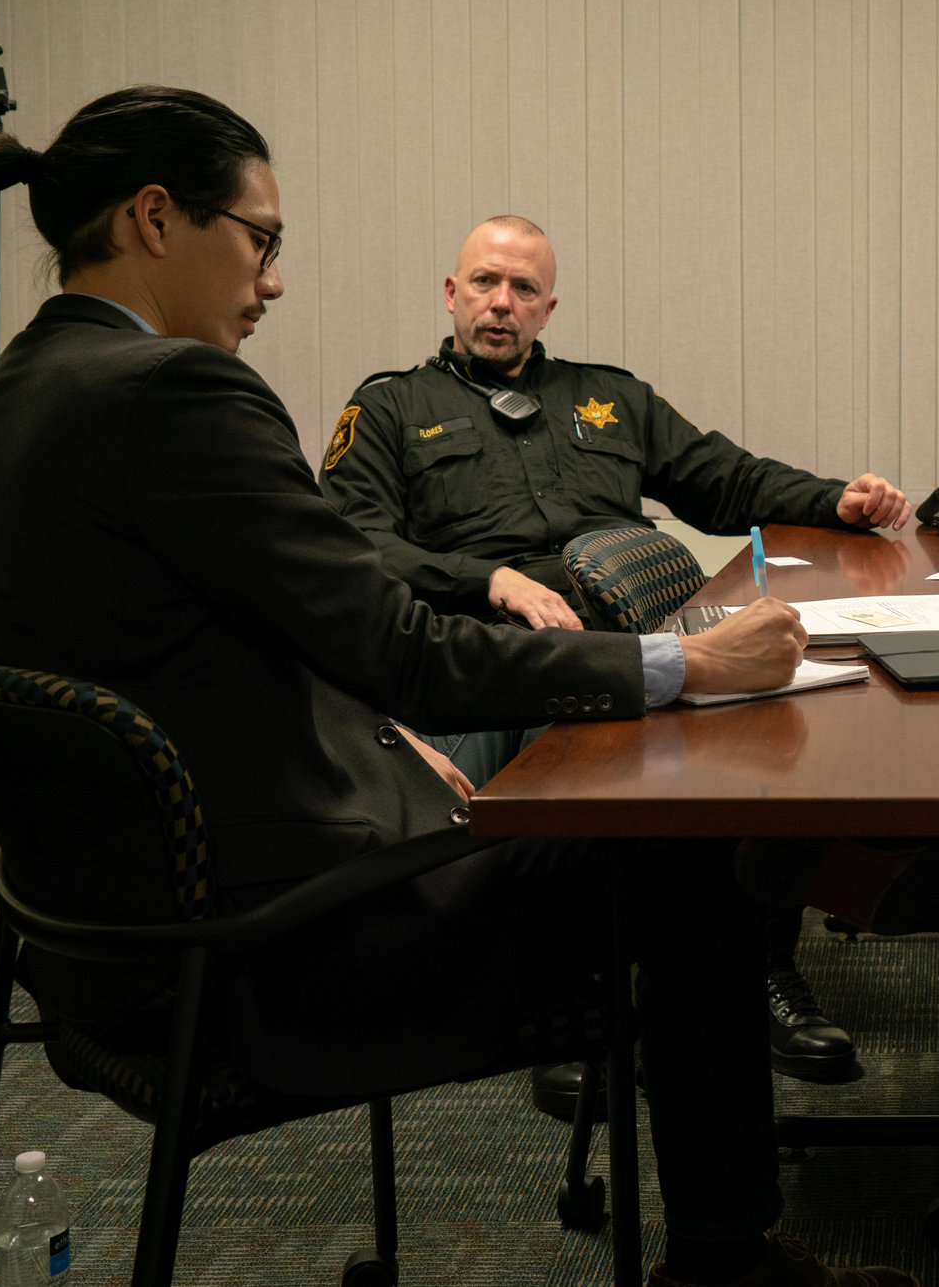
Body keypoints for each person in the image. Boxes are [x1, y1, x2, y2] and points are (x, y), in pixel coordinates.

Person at [0, 86, 919, 1287]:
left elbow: (210, 638)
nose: (273, 279)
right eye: (262, 239)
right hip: (274, 954)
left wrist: (384, 738)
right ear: (155, 219)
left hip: (96, 949)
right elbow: (405, 648)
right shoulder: (179, 395)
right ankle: (730, 1263)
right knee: (689, 852)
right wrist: (683, 662)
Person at [321, 216, 907, 1087]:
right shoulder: (390, 407)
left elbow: (725, 478)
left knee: (780, 722)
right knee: (599, 754)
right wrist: (490, 580)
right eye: (484, 283)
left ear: (548, 307)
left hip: (637, 624)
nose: (501, 303)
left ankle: (761, 967)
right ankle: (583, 994)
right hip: (496, 652)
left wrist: (838, 499)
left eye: (523, 290)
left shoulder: (611, 397)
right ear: (451, 293)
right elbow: (354, 542)